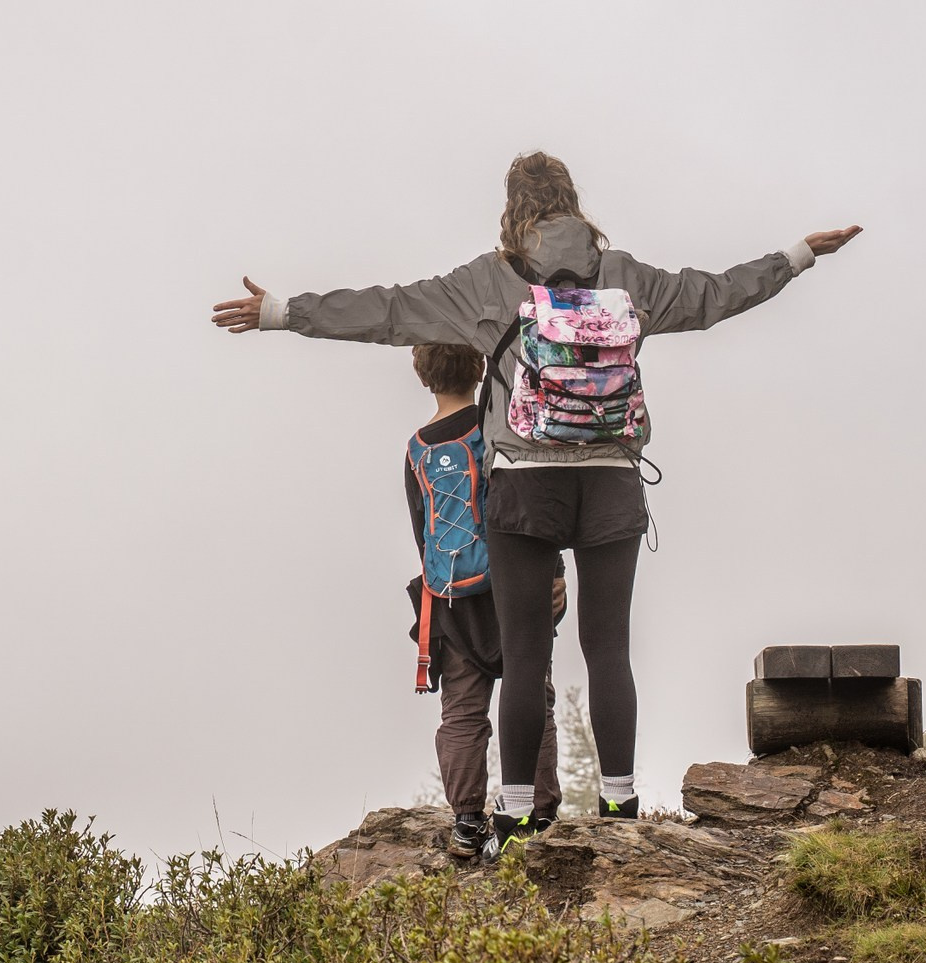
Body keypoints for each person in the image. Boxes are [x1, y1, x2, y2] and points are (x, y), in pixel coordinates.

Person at [213, 150, 860, 852]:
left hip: (523, 482)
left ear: (512, 207)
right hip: (612, 473)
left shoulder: (487, 281)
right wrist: (795, 256)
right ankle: (620, 804)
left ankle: (516, 813)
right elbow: (714, 295)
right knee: (608, 647)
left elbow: (389, 311)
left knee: (524, 655)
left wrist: (282, 311)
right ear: (574, 203)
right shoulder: (625, 275)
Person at [404, 341, 566, 857]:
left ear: (424, 377)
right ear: (479, 370)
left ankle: (468, 823)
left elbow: (421, 533)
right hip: (516, 586)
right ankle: (538, 817)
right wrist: (555, 571)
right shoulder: (495, 426)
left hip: (450, 600)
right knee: (533, 698)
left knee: (462, 715)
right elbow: (528, 504)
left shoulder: (415, 449)